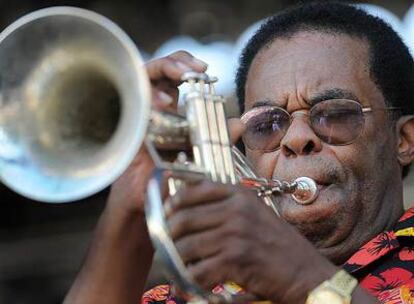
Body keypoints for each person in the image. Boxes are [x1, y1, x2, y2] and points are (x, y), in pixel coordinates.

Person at [64, 2, 414, 304]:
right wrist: (132, 196)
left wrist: (300, 277)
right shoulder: (200, 292)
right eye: (267, 124)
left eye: (335, 114)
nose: (295, 139)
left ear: (404, 140)